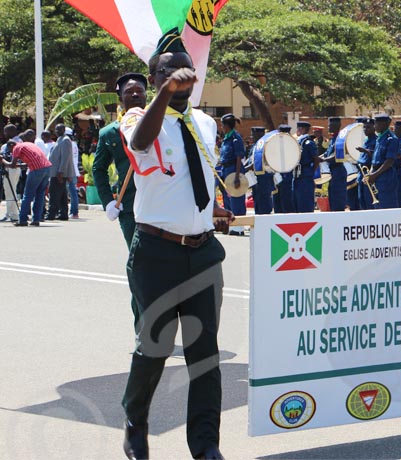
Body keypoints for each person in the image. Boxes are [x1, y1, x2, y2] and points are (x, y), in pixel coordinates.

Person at [118, 29, 232, 460]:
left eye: (189, 68)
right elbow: (141, 144)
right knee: (155, 346)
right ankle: (135, 420)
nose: (186, 74)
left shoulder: (204, 122)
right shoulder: (137, 117)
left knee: (205, 354)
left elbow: (194, 177)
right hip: (156, 253)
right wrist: (164, 94)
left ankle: (205, 445)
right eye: (172, 70)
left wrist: (211, 209)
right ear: (156, 78)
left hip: (202, 251)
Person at [93, 72, 148, 248]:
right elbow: (98, 169)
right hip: (129, 206)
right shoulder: (109, 133)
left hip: (160, 203)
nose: (135, 95)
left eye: (140, 90)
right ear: (120, 98)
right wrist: (108, 201)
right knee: (138, 259)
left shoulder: (161, 124)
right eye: (129, 91)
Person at [2, 141, 50, 226]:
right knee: (40, 195)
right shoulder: (28, 144)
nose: (11, 152)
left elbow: (12, 165)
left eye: (10, 150)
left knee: (27, 195)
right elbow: (26, 164)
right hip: (46, 168)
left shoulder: (16, 148)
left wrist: (2, 160)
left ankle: (22, 220)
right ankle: (36, 219)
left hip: (36, 169)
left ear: (11, 146)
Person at [218, 113, 247, 234]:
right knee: (227, 198)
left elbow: (239, 157)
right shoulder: (226, 138)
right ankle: (230, 225)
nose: (221, 127)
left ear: (227, 125)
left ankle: (239, 227)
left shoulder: (236, 138)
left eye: (222, 125)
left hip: (234, 169)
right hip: (225, 170)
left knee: (236, 198)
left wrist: (237, 176)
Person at [364, 113, 399, 209]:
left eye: (377, 124)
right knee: (377, 207)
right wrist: (370, 174)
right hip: (377, 176)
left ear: (384, 124)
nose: (374, 126)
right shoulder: (379, 138)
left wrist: (374, 174)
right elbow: (374, 159)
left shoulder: (391, 139)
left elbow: (389, 161)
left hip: (386, 177)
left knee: (387, 207)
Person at [46, 124, 74, 221]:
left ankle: (51, 214)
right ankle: (63, 214)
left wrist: (61, 171)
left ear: (64, 130)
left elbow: (65, 158)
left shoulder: (65, 140)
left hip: (59, 172)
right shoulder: (59, 139)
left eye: (60, 129)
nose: (57, 131)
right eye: (56, 129)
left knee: (54, 193)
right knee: (62, 195)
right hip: (55, 171)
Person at [321, 117, 347, 211]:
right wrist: (319, 157)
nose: (328, 127)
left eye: (330, 125)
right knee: (332, 199)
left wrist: (323, 160)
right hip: (332, 172)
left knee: (338, 201)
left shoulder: (341, 139)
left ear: (337, 126)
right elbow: (327, 153)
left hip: (338, 171)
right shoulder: (333, 139)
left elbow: (337, 156)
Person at [293, 121, 319, 213]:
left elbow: (316, 159)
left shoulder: (308, 143)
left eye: (298, 129)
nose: (297, 131)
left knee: (305, 201)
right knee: (298, 200)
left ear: (303, 129)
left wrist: (311, 171)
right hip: (297, 174)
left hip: (306, 174)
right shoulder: (299, 141)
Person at [1, 124, 22, 222]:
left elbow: (13, 159)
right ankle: (9, 213)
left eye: (6, 131)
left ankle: (14, 215)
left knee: (11, 190)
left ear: (11, 131)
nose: (4, 134)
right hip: (8, 169)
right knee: (8, 191)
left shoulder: (16, 142)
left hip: (12, 169)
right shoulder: (8, 143)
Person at [355, 118, 377, 210]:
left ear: (374, 127)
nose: (365, 129)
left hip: (369, 173)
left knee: (369, 201)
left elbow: (376, 157)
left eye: (368, 127)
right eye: (364, 127)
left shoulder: (376, 140)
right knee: (361, 200)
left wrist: (365, 150)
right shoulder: (366, 140)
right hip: (361, 174)